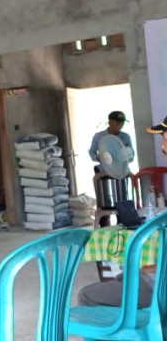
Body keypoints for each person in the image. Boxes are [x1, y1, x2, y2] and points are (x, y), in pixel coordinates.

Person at [76, 114, 167, 307]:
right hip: (159, 276)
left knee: (87, 295)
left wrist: (150, 269)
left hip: (161, 285)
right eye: (163, 138)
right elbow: (94, 154)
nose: (163, 146)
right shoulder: (100, 137)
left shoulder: (124, 138)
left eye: (166, 138)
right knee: (123, 276)